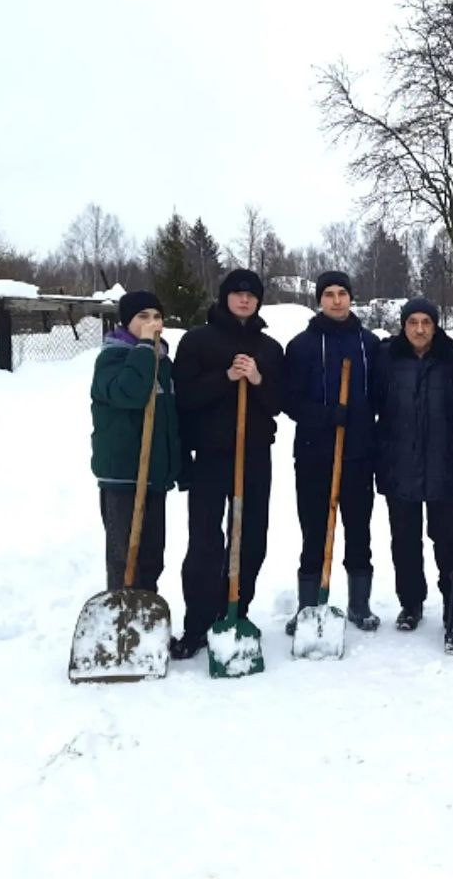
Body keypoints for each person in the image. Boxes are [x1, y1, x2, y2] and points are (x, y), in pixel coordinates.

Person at [169, 269, 284, 659]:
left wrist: (256, 379)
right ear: (224, 297)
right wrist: (225, 377)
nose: (245, 299)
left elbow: (277, 404)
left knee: (251, 538)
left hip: (254, 455)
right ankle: (197, 623)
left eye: (252, 294)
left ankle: (234, 609)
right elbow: (183, 397)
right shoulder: (197, 341)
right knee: (205, 540)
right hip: (212, 456)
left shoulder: (269, 348)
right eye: (237, 293)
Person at [282, 270, 383, 633]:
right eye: (329, 294)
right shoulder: (301, 346)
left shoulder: (370, 344)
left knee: (358, 531)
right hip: (313, 454)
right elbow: (288, 400)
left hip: (358, 454)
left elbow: (381, 397)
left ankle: (359, 604)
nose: (337, 300)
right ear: (319, 300)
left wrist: (360, 420)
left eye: (342, 293)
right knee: (314, 531)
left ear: (351, 298)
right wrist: (326, 415)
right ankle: (309, 606)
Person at [374, 297, 453, 630]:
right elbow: (372, 403)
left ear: (435, 325)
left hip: (443, 462)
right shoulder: (387, 358)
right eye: (412, 322)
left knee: (449, 539)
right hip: (398, 463)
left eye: (426, 322)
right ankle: (411, 603)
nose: (419, 329)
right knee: (404, 539)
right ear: (403, 325)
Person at [90, 290, 180, 592]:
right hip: (122, 474)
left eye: (156, 316)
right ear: (126, 322)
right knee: (124, 556)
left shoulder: (164, 362)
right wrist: (143, 348)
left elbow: (170, 419)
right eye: (142, 317)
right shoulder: (111, 359)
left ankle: (146, 616)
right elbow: (128, 394)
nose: (151, 323)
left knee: (152, 556)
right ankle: (123, 616)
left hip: (154, 475)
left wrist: (176, 464)